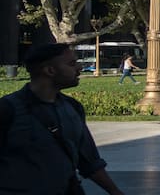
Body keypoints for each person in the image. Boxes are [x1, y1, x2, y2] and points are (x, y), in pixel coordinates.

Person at [0, 43, 125, 195]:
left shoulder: (73, 107)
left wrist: (115, 191)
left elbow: (88, 161)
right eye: (72, 64)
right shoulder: (8, 109)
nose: (79, 68)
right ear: (50, 70)